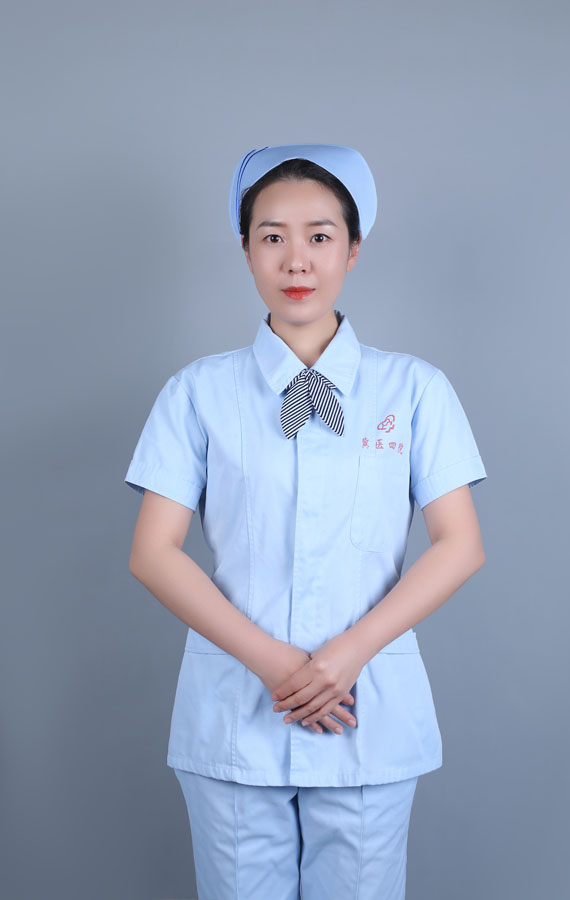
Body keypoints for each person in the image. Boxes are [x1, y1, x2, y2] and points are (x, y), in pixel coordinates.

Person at [124, 143, 487, 900]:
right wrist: (274, 663)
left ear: (353, 250)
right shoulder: (198, 393)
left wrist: (348, 653)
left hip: (366, 711)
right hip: (238, 710)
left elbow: (459, 545)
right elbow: (153, 553)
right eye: (272, 236)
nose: (297, 260)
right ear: (246, 250)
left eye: (320, 236)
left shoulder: (414, 390)